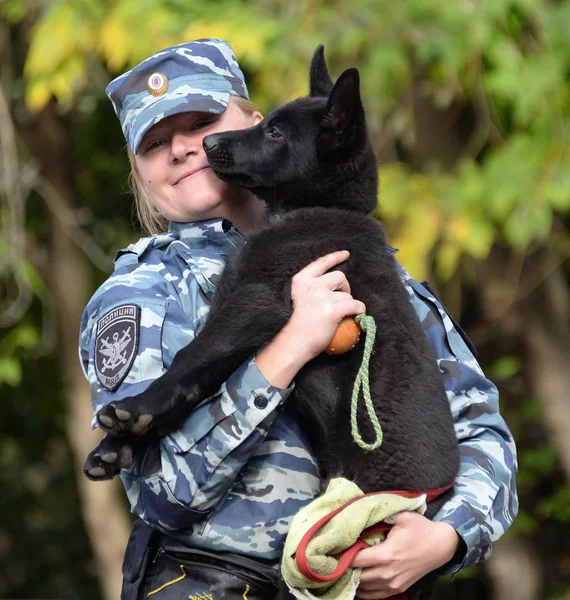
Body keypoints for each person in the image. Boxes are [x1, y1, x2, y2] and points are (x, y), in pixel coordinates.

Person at [79, 39, 518, 600]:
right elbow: (166, 493)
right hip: (210, 584)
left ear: (255, 123)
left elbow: (482, 432)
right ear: (140, 173)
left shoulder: (367, 268)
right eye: (156, 143)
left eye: (201, 122)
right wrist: (285, 352)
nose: (186, 148)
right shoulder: (143, 295)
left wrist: (443, 539)